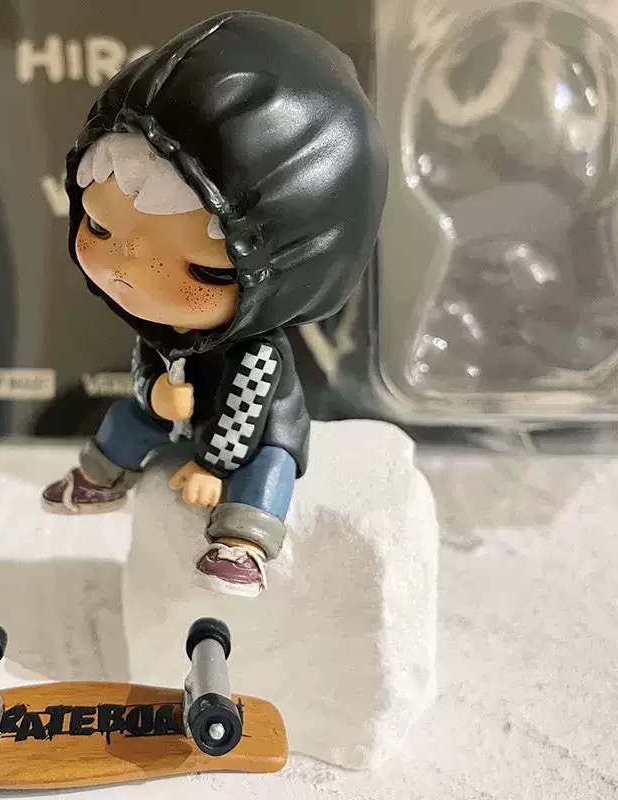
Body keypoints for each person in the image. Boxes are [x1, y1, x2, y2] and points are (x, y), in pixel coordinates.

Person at [42, 11, 388, 597]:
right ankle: (99, 478)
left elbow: (245, 413)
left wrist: (213, 467)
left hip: (246, 435)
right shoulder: (167, 327)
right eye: (99, 226)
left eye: (204, 270)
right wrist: (153, 392)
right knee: (126, 418)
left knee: (270, 468)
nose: (129, 271)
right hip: (184, 412)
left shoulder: (258, 356)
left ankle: (243, 542)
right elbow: (147, 361)